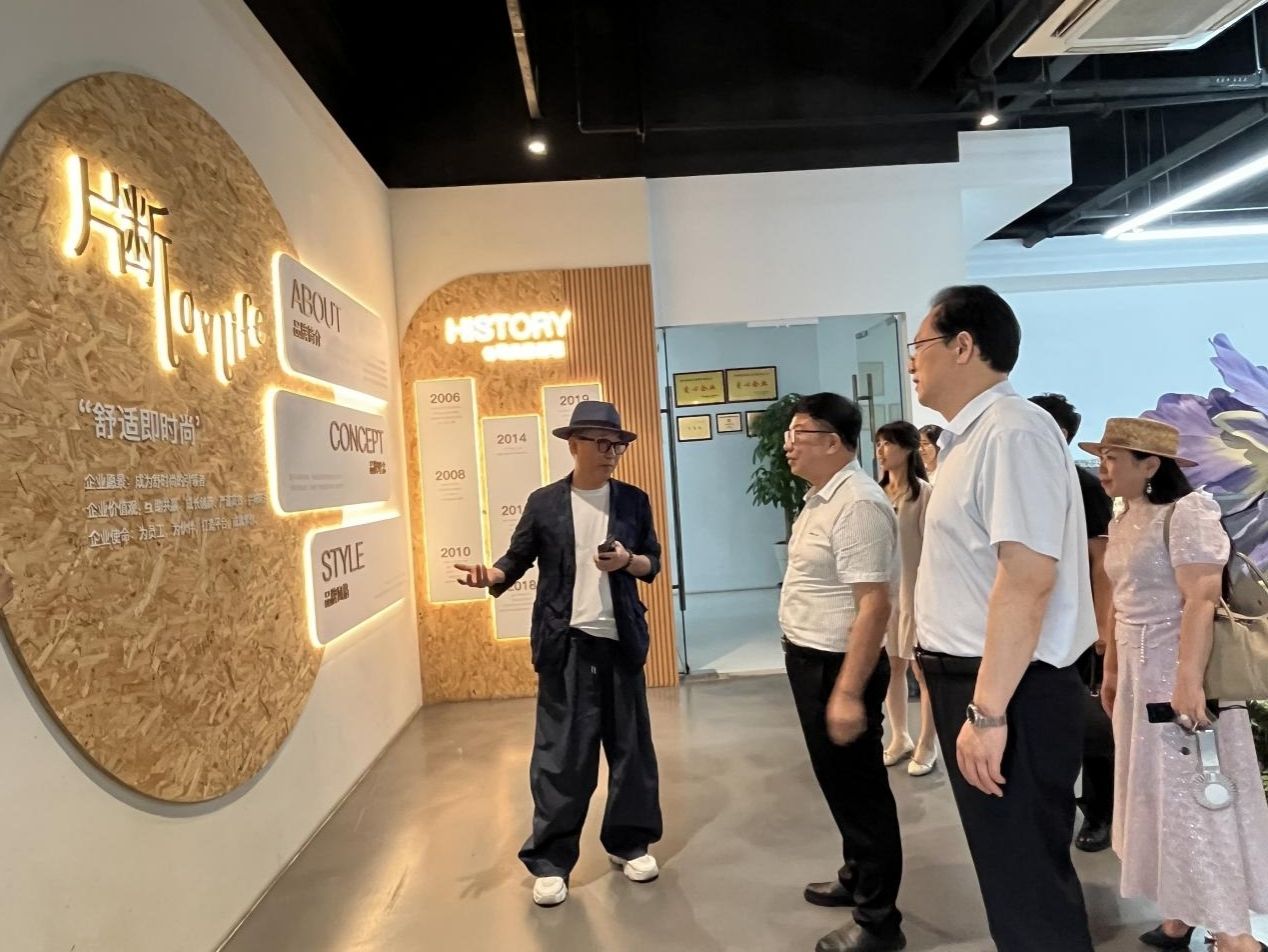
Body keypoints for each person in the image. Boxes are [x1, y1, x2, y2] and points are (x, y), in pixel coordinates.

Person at [909, 285, 1096, 952]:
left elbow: (1026, 579)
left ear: (964, 346)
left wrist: (987, 713)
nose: (912, 360)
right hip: (984, 680)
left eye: (920, 344)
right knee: (1012, 879)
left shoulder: (1012, 432)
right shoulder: (971, 438)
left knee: (1027, 887)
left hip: (1011, 690)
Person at [454, 401, 663, 908]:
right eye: (601, 443)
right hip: (564, 644)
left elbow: (652, 563)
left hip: (620, 641)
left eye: (617, 445)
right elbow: (517, 558)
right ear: (574, 445)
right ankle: (550, 861)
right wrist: (492, 575)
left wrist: (628, 561)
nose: (610, 452)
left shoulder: (633, 500)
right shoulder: (545, 502)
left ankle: (629, 843)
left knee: (631, 749)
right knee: (561, 756)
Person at [1083, 417, 1268, 952]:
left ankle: (1232, 932)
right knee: (1155, 793)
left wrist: (1187, 683)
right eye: (1103, 456)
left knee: (1198, 795)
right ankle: (1179, 914)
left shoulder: (1188, 512)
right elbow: (1121, 599)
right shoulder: (1125, 516)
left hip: (1179, 670)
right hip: (1137, 676)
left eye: (1114, 457)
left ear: (1150, 465)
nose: (1103, 468)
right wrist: (1112, 672)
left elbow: (1201, 600)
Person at [779, 392, 906, 952]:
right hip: (811, 660)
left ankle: (879, 923)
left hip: (838, 666)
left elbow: (874, 605)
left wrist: (849, 692)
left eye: (799, 433)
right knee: (839, 785)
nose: (788, 444)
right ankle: (857, 876)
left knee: (862, 794)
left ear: (833, 442)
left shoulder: (857, 504)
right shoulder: (821, 497)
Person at [1030, 393, 1116, 852]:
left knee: (1091, 723)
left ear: (1059, 433)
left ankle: (1100, 812)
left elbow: (1101, 561)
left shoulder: (1083, 486)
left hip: (1079, 626)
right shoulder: (1024, 482)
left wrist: (1102, 627)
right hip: (1034, 625)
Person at [874, 421, 937, 777]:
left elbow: (933, 549)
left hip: (917, 594)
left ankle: (928, 743)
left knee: (922, 671)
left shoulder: (923, 494)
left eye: (888, 443)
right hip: (887, 594)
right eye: (878, 444)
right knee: (891, 667)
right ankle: (900, 736)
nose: (881, 450)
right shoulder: (877, 494)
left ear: (908, 448)